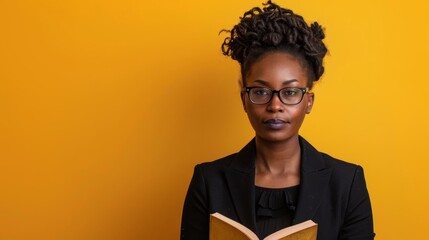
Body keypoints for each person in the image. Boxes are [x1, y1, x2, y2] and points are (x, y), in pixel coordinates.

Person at [180, 1, 375, 239]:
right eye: (261, 92)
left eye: (290, 92)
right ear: (244, 100)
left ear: (309, 102)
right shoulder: (208, 181)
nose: (275, 106)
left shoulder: (347, 183)